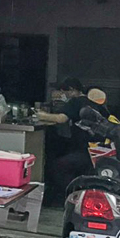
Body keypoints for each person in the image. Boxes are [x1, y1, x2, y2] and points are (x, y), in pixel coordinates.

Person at [37, 78, 110, 206]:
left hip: (87, 151)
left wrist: (40, 115)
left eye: (64, 92)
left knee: (57, 167)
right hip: (102, 150)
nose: (62, 95)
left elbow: (61, 119)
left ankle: (73, 198)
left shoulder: (76, 101)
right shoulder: (94, 103)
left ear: (71, 90)